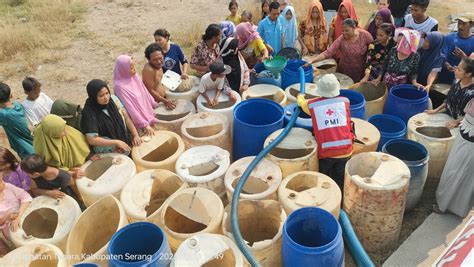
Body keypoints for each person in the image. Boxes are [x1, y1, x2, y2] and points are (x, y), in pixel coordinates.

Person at [296, 74, 354, 190]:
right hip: (346, 150)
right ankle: (339, 201)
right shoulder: (345, 101)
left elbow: (301, 104)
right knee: (339, 181)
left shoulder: (312, 104)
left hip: (326, 153)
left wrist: (300, 96)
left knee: (324, 181)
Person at [434, 98, 474, 218]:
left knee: (463, 174)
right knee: (454, 169)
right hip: (465, 132)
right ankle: (445, 202)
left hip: (471, 144)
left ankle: (455, 207)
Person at [81, 79, 142, 155]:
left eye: (107, 93)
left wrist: (135, 135)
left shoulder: (113, 99)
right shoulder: (89, 112)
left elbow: (126, 118)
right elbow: (92, 139)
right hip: (107, 149)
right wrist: (116, 142)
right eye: (101, 96)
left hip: (124, 139)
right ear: (93, 96)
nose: (106, 98)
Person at [306, 19, 373, 83]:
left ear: (354, 28)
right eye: (342, 31)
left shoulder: (365, 35)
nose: (344, 33)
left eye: (347, 31)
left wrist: (368, 73)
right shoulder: (341, 39)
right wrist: (312, 61)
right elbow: (328, 52)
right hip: (345, 72)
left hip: (361, 71)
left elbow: (372, 51)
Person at [114, 55, 158, 135]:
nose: (134, 70)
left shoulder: (134, 76)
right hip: (139, 123)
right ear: (123, 70)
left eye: (134, 67)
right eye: (131, 68)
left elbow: (144, 91)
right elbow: (130, 108)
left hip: (148, 114)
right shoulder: (120, 87)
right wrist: (145, 125)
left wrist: (153, 103)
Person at [20, 154, 85, 209]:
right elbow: (34, 190)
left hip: (69, 199)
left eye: (27, 173)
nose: (27, 176)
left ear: (36, 174)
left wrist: (80, 198)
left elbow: (73, 186)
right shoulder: (33, 178)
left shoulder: (61, 176)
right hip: (54, 202)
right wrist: (48, 192)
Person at [425, 58, 474, 129]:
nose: (455, 71)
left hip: (462, 125)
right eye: (457, 67)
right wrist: (436, 110)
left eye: (459, 70)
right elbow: (448, 100)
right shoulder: (456, 81)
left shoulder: (472, 92)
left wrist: (456, 122)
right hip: (448, 116)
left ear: (468, 74)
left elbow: (471, 116)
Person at [0, 82, 34, 159]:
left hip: (26, 151)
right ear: (11, 95)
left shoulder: (4, 115)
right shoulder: (17, 105)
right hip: (34, 144)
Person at [439, 13, 473, 84]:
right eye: (459, 23)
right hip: (444, 75)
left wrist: (464, 58)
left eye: (464, 24)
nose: (460, 26)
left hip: (462, 80)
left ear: (472, 25)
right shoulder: (449, 37)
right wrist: (447, 65)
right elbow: (442, 55)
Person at [142, 44, 176, 110]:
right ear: (149, 60)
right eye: (155, 60)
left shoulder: (158, 66)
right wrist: (165, 101)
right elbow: (150, 90)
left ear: (163, 55)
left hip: (163, 99)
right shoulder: (149, 70)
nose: (159, 61)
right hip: (155, 103)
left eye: (160, 58)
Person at [417, 32, 444, 107]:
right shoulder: (421, 50)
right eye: (424, 40)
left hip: (425, 85)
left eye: (427, 42)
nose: (424, 43)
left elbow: (433, 72)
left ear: (434, 43)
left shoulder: (439, 57)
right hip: (414, 81)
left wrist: (428, 85)